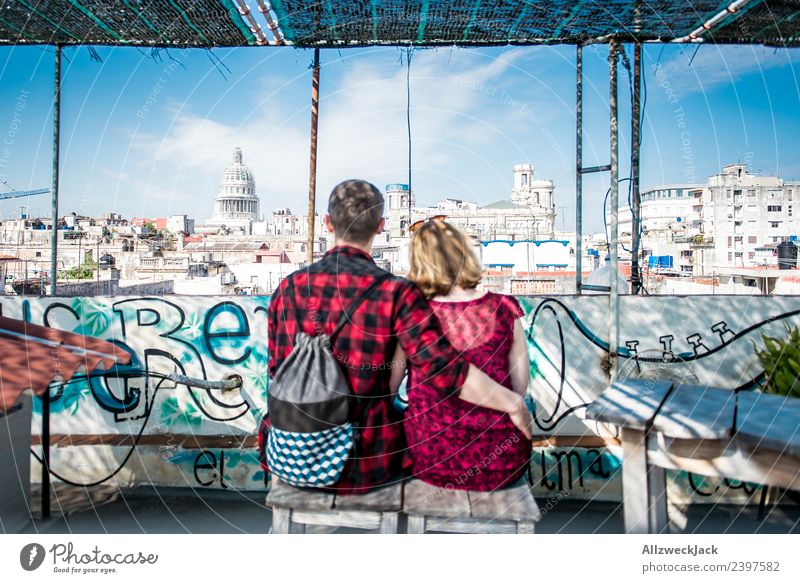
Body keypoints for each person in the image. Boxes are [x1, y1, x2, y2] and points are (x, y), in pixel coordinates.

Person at [259, 180, 531, 494]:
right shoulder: (397, 292)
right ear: (380, 226)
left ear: (328, 223)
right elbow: (442, 369)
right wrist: (511, 403)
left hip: (290, 455)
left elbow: (277, 372)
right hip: (364, 463)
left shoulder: (288, 289)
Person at [393, 218, 533, 491]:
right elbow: (519, 387)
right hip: (501, 462)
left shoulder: (414, 315)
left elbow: (390, 387)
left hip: (433, 459)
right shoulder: (505, 307)